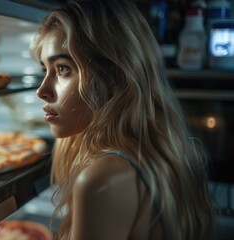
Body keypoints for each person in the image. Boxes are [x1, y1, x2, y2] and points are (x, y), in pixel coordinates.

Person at [30, 0, 214, 239]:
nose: (41, 91)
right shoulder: (153, 152)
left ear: (114, 76)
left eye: (63, 68)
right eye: (45, 69)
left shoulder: (103, 179)